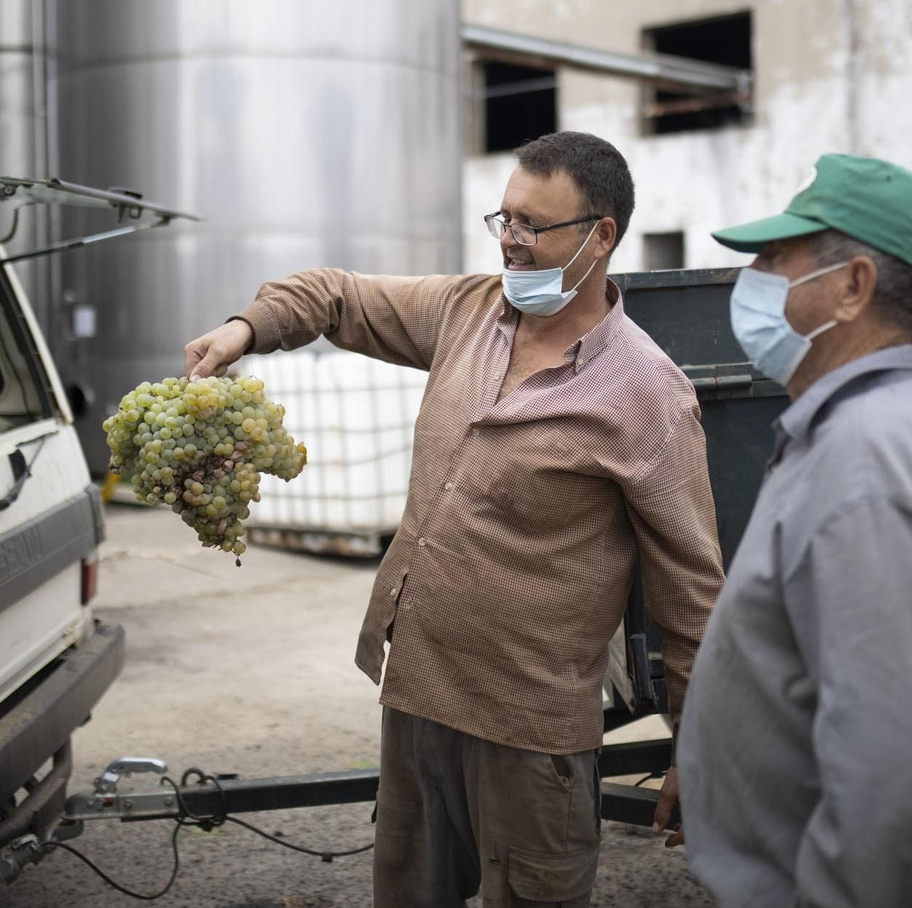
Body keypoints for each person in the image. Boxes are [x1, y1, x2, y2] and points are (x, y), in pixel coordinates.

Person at [185, 131, 724, 906]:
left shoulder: (648, 394)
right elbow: (336, 296)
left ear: (600, 236)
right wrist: (246, 328)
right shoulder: (470, 312)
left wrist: (694, 748)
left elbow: (693, 593)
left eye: (531, 225)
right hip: (417, 701)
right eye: (502, 218)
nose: (509, 239)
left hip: (530, 737)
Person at [677, 154, 912, 908]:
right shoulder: (894, 431)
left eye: (774, 260)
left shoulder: (874, 463)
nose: (749, 278)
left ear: (852, 287)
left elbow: (900, 775)